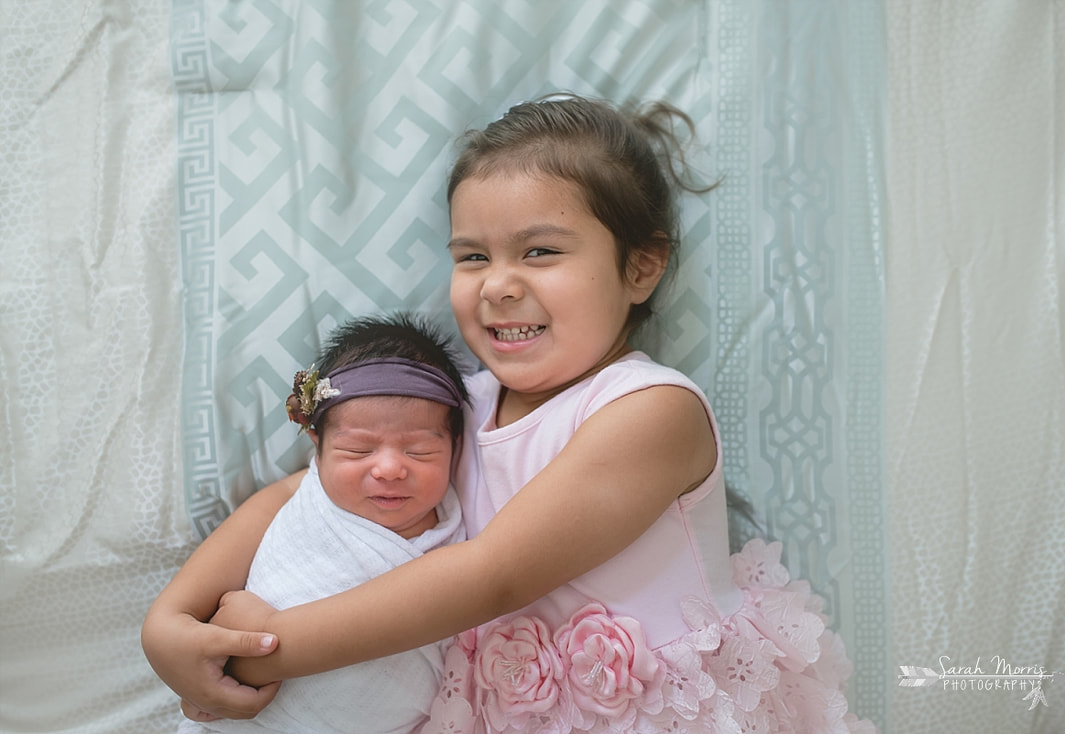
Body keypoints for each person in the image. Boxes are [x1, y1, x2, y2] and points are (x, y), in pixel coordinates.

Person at [143, 94, 876, 733]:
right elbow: (295, 493)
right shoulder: (458, 406)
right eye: (471, 258)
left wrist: (270, 646)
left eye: (540, 251)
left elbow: (491, 576)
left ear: (641, 267)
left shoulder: (647, 412)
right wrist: (173, 620)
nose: (498, 286)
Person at [176, 313, 470, 734]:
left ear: (455, 447)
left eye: (420, 451)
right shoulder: (300, 495)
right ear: (318, 445)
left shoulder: (461, 539)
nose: (389, 468)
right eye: (357, 450)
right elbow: (189, 612)